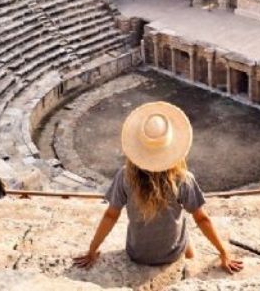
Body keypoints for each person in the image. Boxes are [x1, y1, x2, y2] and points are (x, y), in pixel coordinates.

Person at [74, 102, 243, 274]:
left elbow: (111, 215)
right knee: (187, 236)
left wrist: (92, 250)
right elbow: (202, 219)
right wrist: (224, 253)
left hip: (137, 253)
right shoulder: (183, 179)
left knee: (180, 233)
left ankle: (186, 257)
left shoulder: (125, 176)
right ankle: (188, 260)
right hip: (172, 254)